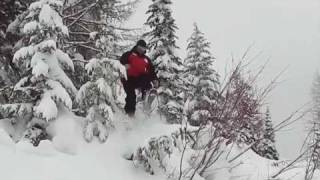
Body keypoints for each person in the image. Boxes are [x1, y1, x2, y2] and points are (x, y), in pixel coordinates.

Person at [120, 40, 159, 117]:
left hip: (139, 79)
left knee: (146, 76)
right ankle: (130, 115)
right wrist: (124, 65)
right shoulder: (128, 54)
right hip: (128, 79)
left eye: (144, 48)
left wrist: (155, 79)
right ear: (137, 46)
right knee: (131, 97)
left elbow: (151, 70)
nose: (142, 49)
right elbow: (120, 62)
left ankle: (147, 96)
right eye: (140, 47)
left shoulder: (146, 59)